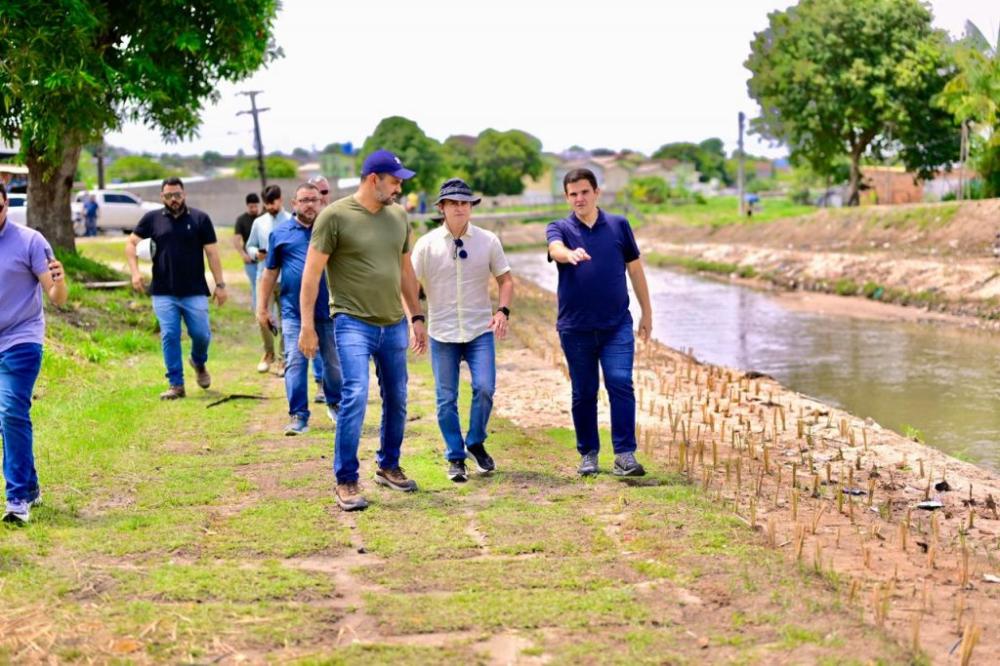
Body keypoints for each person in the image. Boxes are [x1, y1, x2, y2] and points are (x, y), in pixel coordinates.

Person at [299, 149, 426, 512]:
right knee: (355, 395)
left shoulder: (398, 216)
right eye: (395, 181)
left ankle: (388, 465)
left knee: (398, 398)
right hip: (352, 321)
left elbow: (405, 271)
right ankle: (346, 479)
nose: (399, 188)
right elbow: (311, 274)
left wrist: (417, 317)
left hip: (393, 323)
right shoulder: (334, 216)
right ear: (374, 179)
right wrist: (307, 325)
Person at [546, 168, 652, 477]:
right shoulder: (559, 227)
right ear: (567, 197)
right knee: (584, 391)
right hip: (575, 328)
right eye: (573, 194)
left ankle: (625, 455)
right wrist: (569, 254)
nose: (579, 198)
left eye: (584, 192)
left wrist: (647, 312)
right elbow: (555, 248)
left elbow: (635, 270)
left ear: (596, 192)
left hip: (616, 325)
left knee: (620, 383)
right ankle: (589, 454)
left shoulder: (619, 225)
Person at [411, 178, 513, 482]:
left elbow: (505, 279)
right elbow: (409, 286)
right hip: (442, 332)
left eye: (464, 203)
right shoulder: (426, 244)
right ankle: (455, 457)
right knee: (445, 399)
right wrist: (415, 319)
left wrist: (502, 311)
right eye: (453, 203)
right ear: (442, 207)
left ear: (471, 207)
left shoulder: (488, 240)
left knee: (485, 388)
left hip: (479, 329)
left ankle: (475, 442)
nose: (459, 208)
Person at [0, 182, 68, 524]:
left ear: (6, 205)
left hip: (21, 339)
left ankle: (16, 500)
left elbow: (56, 297)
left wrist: (60, 281)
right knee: (8, 418)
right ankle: (30, 486)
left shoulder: (30, 241)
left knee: (11, 412)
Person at [126, 177, 227, 400]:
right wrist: (135, 272)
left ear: (184, 194)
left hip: (194, 290)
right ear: (162, 197)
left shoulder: (200, 219)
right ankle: (176, 384)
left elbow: (212, 253)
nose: (174, 199)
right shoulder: (152, 219)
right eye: (169, 195)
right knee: (170, 335)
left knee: (201, 334)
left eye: (177, 195)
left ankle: (198, 362)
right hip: (163, 291)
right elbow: (131, 243)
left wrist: (220, 284)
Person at [257, 183, 342, 435]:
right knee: (295, 362)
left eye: (314, 199)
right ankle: (298, 415)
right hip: (293, 312)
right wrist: (262, 308)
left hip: (329, 311)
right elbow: (269, 273)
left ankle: (336, 404)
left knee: (333, 363)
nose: (309, 205)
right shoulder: (280, 234)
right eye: (304, 200)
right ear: (294, 204)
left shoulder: (332, 231)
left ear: (321, 202)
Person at [246, 185, 292, 373]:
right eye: (267, 204)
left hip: (286, 278)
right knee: (261, 316)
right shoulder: (259, 222)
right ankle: (268, 353)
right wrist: (256, 254)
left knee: (286, 320)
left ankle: (283, 358)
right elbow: (250, 245)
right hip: (263, 277)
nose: (270, 207)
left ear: (280, 200)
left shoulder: (291, 220)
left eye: (273, 203)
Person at [232, 193, 262, 311]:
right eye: (251, 207)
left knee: (264, 285)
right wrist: (243, 254)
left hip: (263, 258)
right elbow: (236, 240)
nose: (254, 209)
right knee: (255, 284)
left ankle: (261, 309)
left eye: (255, 206)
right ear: (247, 206)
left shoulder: (263, 218)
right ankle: (257, 310)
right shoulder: (241, 220)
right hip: (250, 260)